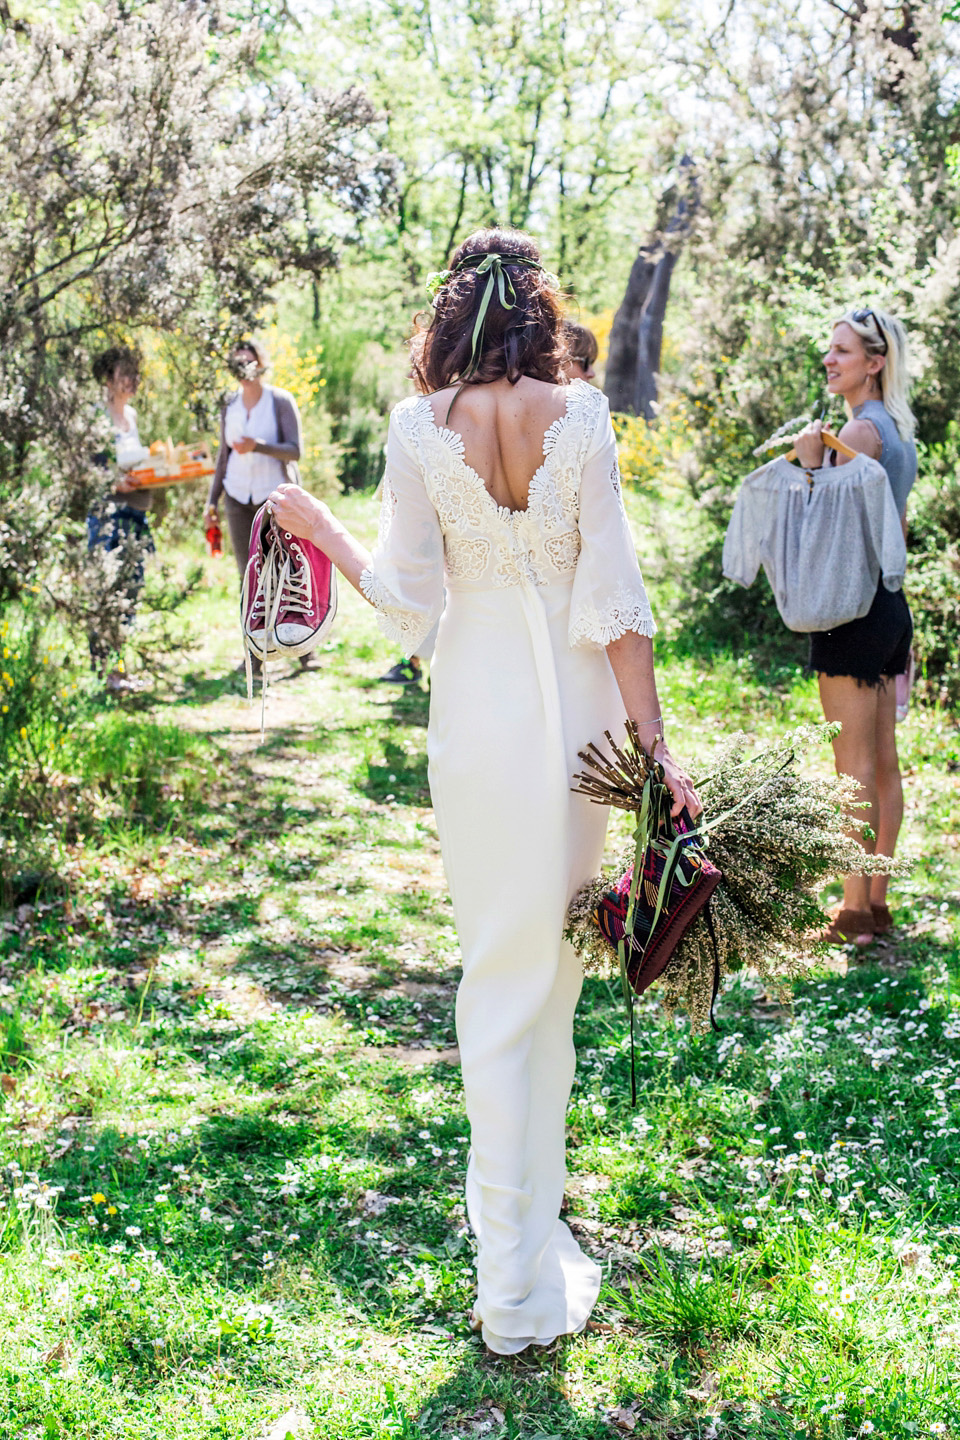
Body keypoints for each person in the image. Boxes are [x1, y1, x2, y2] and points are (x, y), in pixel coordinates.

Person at [267, 228, 699, 1354]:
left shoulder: (420, 430)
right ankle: (519, 1262)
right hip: (582, 736)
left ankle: (514, 1264)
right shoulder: (584, 418)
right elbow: (619, 606)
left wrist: (321, 531)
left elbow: (410, 609)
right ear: (539, 308)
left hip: (479, 723)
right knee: (546, 984)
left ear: (452, 311)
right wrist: (657, 764)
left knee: (498, 979)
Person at [376, 319, 599, 688]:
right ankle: (411, 659)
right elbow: (413, 577)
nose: (591, 372)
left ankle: (413, 658)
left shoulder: (583, 420)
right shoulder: (433, 420)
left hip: (560, 651)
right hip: (479, 651)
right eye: (584, 359)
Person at [794, 308, 917, 944]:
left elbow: (828, 535)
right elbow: (893, 529)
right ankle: (875, 903)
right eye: (829, 350)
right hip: (889, 606)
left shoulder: (859, 436)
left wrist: (808, 467)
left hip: (854, 609)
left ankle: (851, 915)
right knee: (883, 764)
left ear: (874, 363)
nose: (830, 360)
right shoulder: (894, 429)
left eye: (843, 351)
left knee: (852, 766)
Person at [203, 338, 305, 670]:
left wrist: (257, 446)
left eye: (249, 361)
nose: (244, 369)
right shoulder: (229, 405)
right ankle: (254, 654)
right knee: (248, 575)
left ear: (261, 363)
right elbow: (223, 456)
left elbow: (294, 450)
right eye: (238, 364)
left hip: (273, 498)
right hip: (236, 497)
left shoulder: (279, 401)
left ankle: (302, 648)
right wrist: (211, 501)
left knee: (283, 571)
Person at [88, 345, 153, 692]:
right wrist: (113, 481)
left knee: (131, 588)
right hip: (106, 515)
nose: (132, 380)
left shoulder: (134, 416)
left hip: (136, 512)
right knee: (106, 586)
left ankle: (119, 670)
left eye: (135, 372)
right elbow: (84, 467)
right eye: (125, 373)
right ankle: (102, 673)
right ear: (108, 377)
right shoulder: (94, 415)